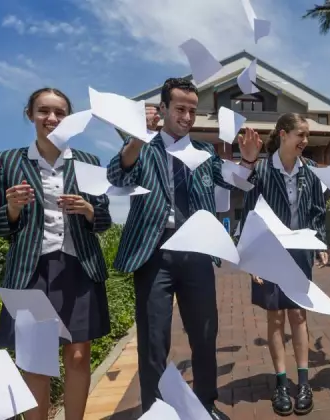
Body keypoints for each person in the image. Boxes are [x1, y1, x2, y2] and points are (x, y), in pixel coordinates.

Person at [106, 77, 262, 420]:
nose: (188, 116)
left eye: (192, 110)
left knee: (206, 332)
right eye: (180, 109)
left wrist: (248, 161)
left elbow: (234, 181)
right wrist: (136, 137)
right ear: (162, 109)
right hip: (154, 253)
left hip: (195, 251)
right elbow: (118, 176)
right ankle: (155, 410)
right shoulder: (144, 147)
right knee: (153, 338)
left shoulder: (204, 153)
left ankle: (205, 403)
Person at [0, 87, 113, 420]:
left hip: (79, 267)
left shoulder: (89, 162)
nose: (52, 118)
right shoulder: (8, 161)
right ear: (30, 114)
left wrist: (88, 210)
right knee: (36, 360)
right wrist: (11, 209)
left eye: (59, 112)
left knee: (78, 356)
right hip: (31, 271)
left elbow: (103, 221)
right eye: (44, 111)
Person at [239, 113, 328, 416]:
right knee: (276, 319)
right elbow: (248, 215)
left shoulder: (312, 171)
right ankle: (281, 383)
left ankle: (303, 383)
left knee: (299, 315)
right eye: (300, 135)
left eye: (307, 135)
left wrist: (320, 242)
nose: (305, 141)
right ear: (282, 135)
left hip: (300, 253)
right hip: (268, 254)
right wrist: (251, 259)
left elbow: (318, 211)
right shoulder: (261, 170)